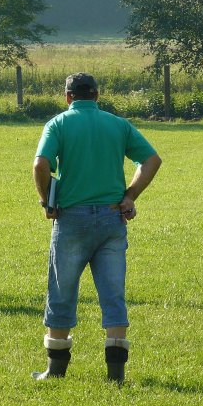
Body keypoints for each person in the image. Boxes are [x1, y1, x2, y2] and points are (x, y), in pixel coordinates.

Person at [32, 72, 162, 383]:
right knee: (113, 294)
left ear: (68, 97)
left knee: (62, 291)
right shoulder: (118, 124)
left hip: (72, 219)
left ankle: (56, 369)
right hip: (111, 218)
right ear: (97, 95)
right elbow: (151, 160)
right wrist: (129, 195)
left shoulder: (59, 124)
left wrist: (47, 200)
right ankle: (116, 375)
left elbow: (40, 164)